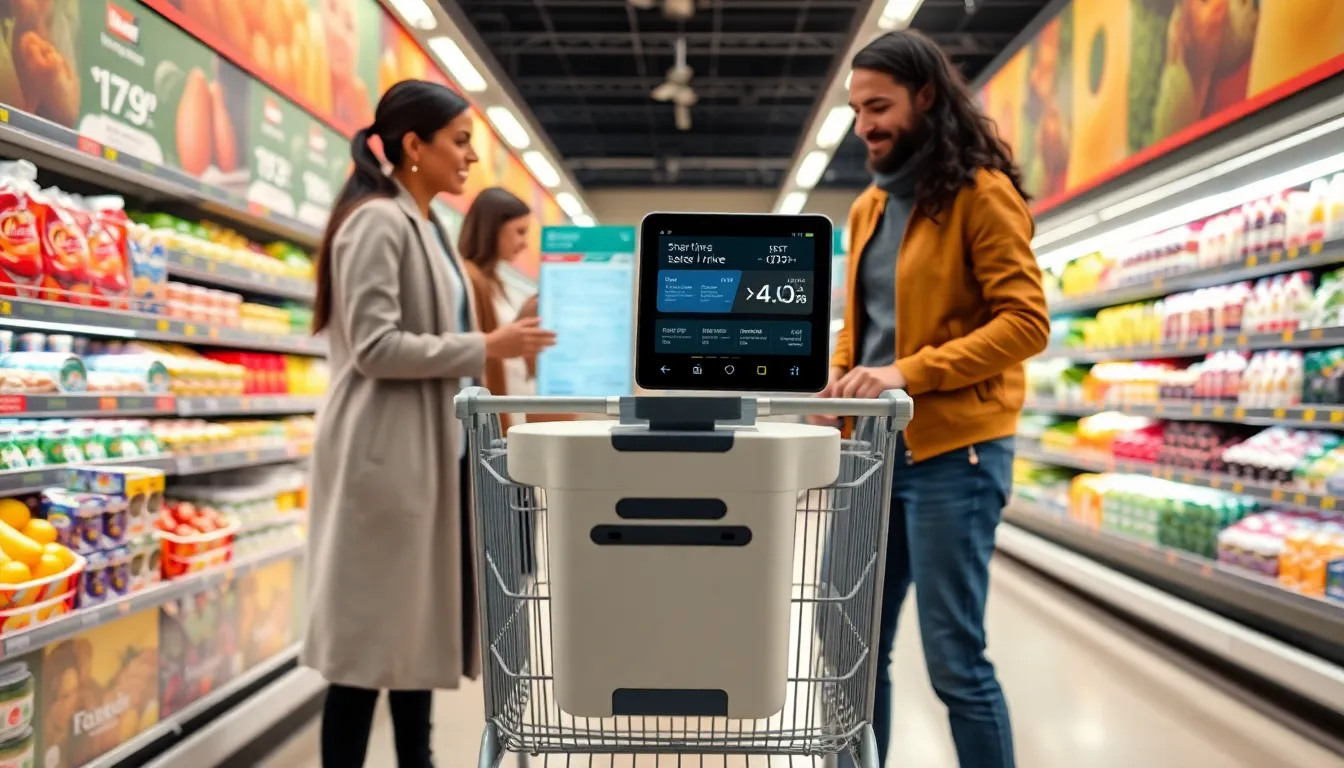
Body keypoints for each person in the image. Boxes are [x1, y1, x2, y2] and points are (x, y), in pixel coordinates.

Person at [302, 79, 556, 768]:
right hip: (382, 464)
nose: (471, 157)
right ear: (414, 145)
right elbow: (374, 346)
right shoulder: (377, 223)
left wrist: (496, 343)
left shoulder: (422, 223)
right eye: (461, 141)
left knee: (413, 641)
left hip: (421, 459)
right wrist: (488, 348)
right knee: (363, 656)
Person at [821, 31, 1050, 768]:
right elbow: (862, 327)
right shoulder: (866, 209)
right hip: (873, 453)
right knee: (846, 643)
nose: (867, 126)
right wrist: (840, 381)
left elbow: (1025, 322)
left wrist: (906, 373)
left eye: (880, 106)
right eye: (858, 111)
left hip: (956, 454)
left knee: (953, 656)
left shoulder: (982, 196)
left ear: (926, 96)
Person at [459, 187, 539, 430]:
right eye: (519, 232)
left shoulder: (498, 284)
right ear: (493, 228)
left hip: (508, 409)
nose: (524, 244)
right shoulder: (468, 281)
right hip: (486, 417)